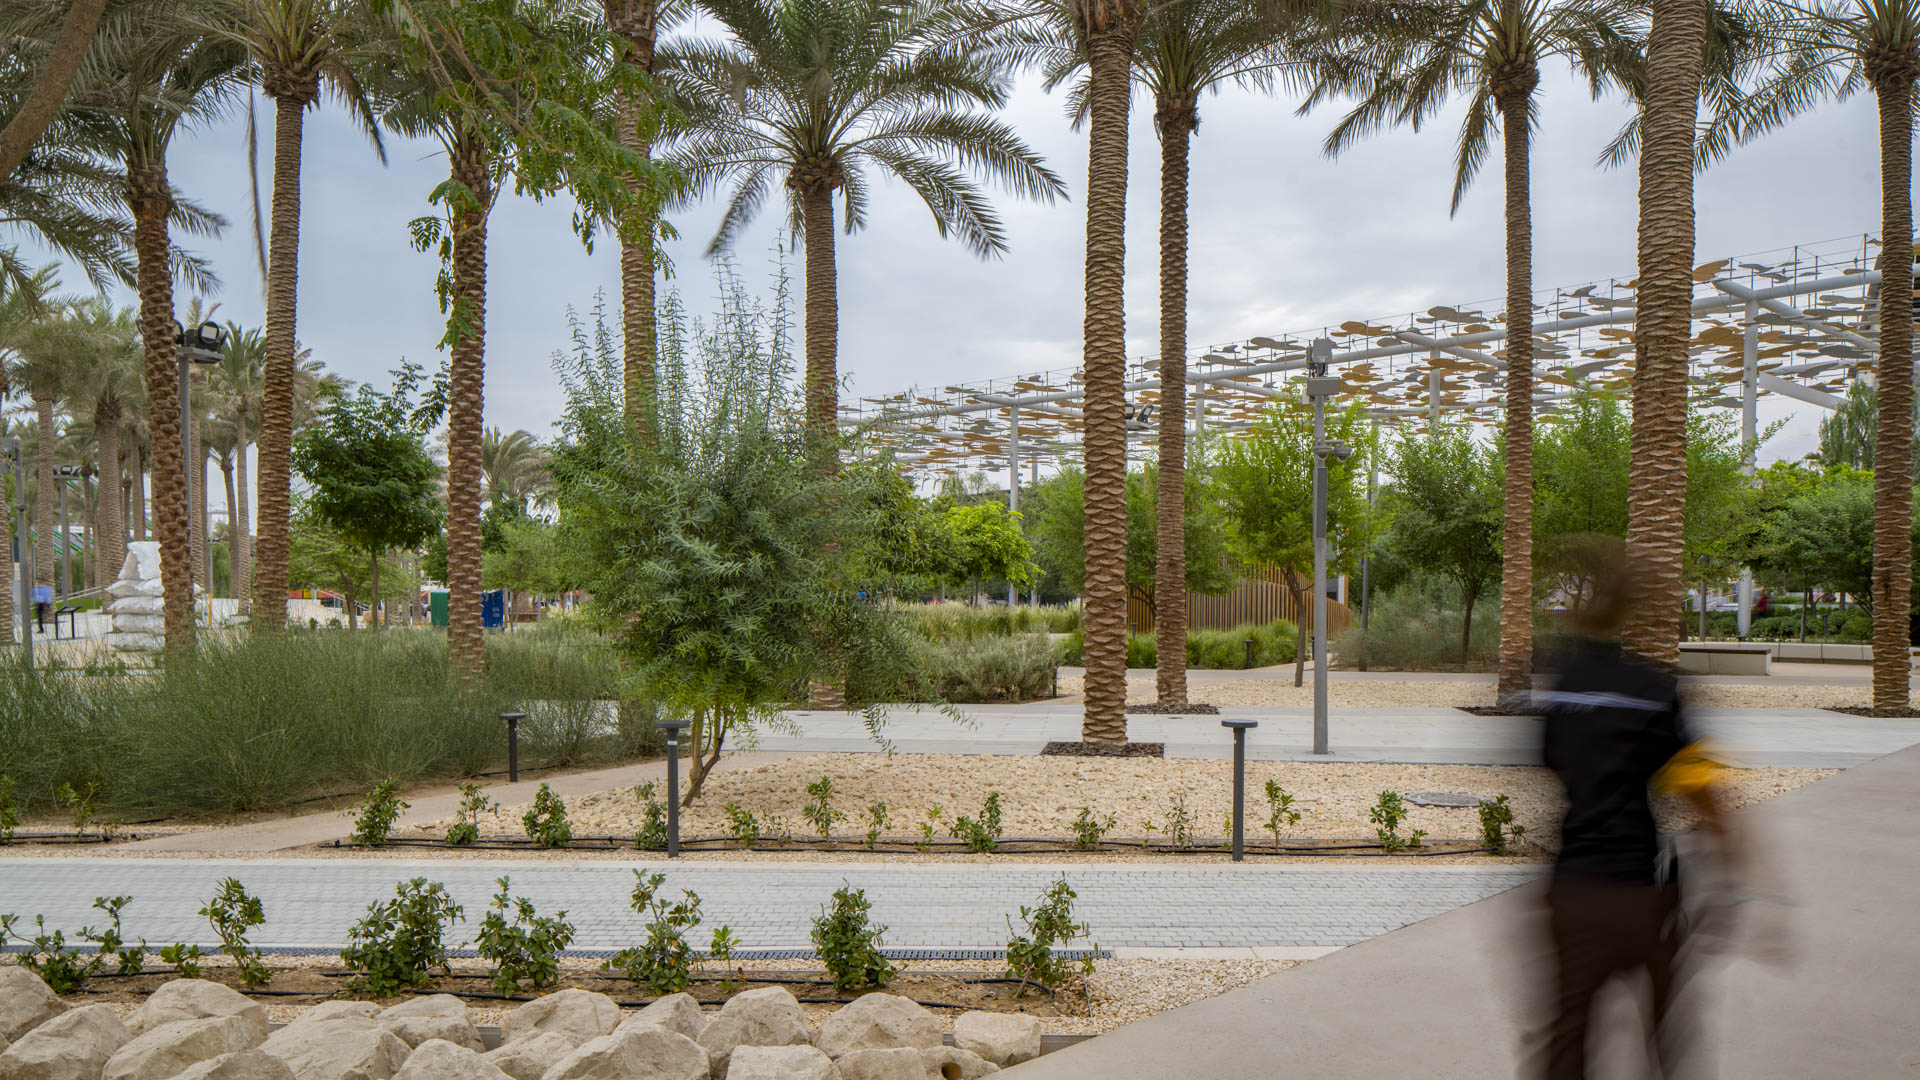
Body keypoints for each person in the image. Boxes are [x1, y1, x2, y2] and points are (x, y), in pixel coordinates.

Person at [1532, 541, 1741, 1080]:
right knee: (1665, 1038)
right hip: (1641, 895)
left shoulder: (1562, 689)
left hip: (1574, 891)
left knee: (1568, 1036)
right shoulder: (1656, 690)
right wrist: (1734, 876)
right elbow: (1705, 797)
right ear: (1635, 609)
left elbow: (1555, 767)